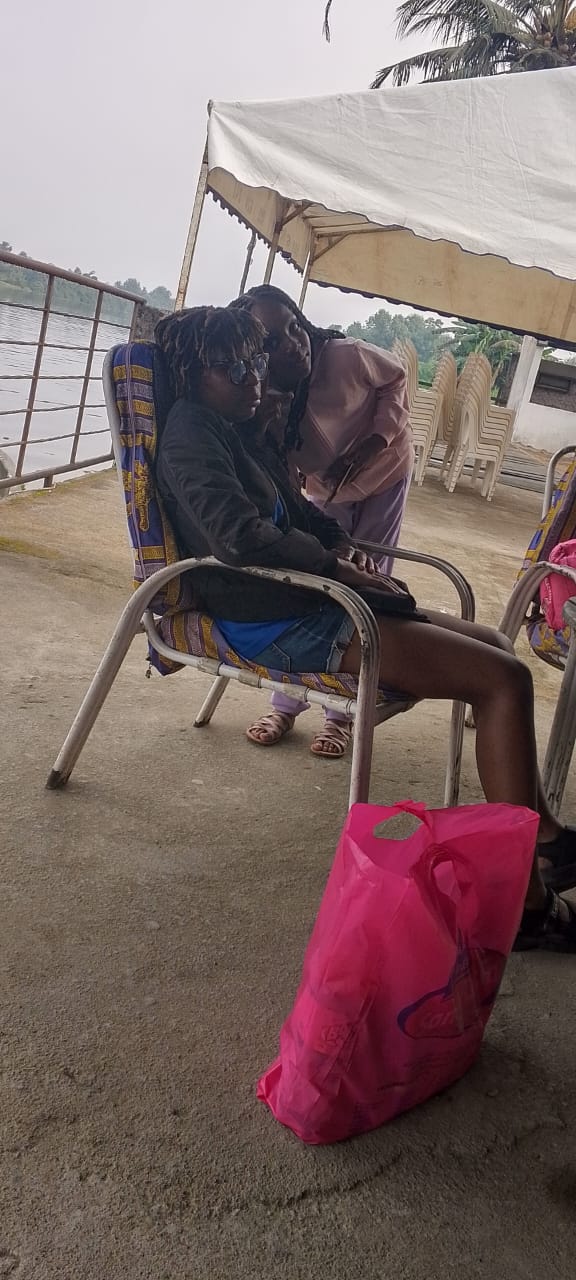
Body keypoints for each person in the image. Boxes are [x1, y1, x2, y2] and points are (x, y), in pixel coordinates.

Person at [153, 303, 576, 951]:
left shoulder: (241, 430)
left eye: (256, 360)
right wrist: (336, 569)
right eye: (231, 367)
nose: (253, 376)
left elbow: (304, 516)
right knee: (503, 680)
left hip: (307, 596)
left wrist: (345, 552)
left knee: (496, 647)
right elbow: (237, 537)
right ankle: (525, 905)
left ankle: (541, 839)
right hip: (270, 615)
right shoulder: (191, 435)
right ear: (191, 374)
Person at [230, 285, 414, 758]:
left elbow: (396, 381)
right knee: (314, 583)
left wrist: (376, 440)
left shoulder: (347, 356)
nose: (294, 344)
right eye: (273, 341)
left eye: (295, 327)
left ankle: (339, 714)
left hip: (386, 470)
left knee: (367, 576)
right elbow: (275, 465)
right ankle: (285, 703)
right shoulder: (260, 395)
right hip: (324, 491)